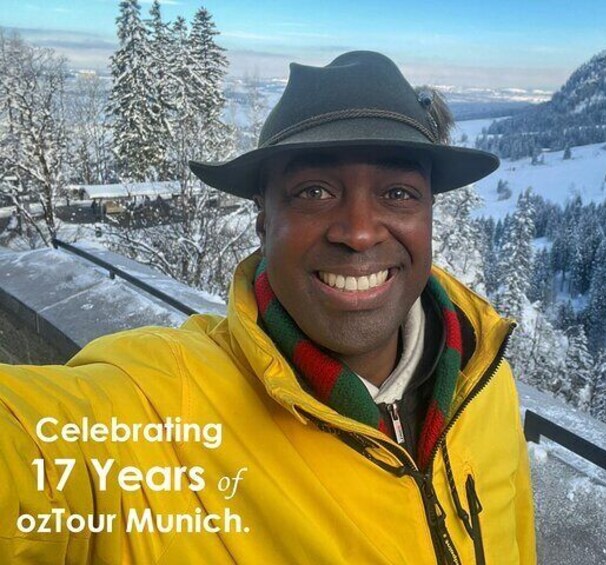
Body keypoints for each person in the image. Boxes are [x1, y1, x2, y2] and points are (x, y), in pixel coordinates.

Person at [0, 51, 535, 564]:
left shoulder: (483, 383)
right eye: (315, 192)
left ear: (429, 216)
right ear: (263, 221)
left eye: (397, 194)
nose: (359, 233)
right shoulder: (162, 408)